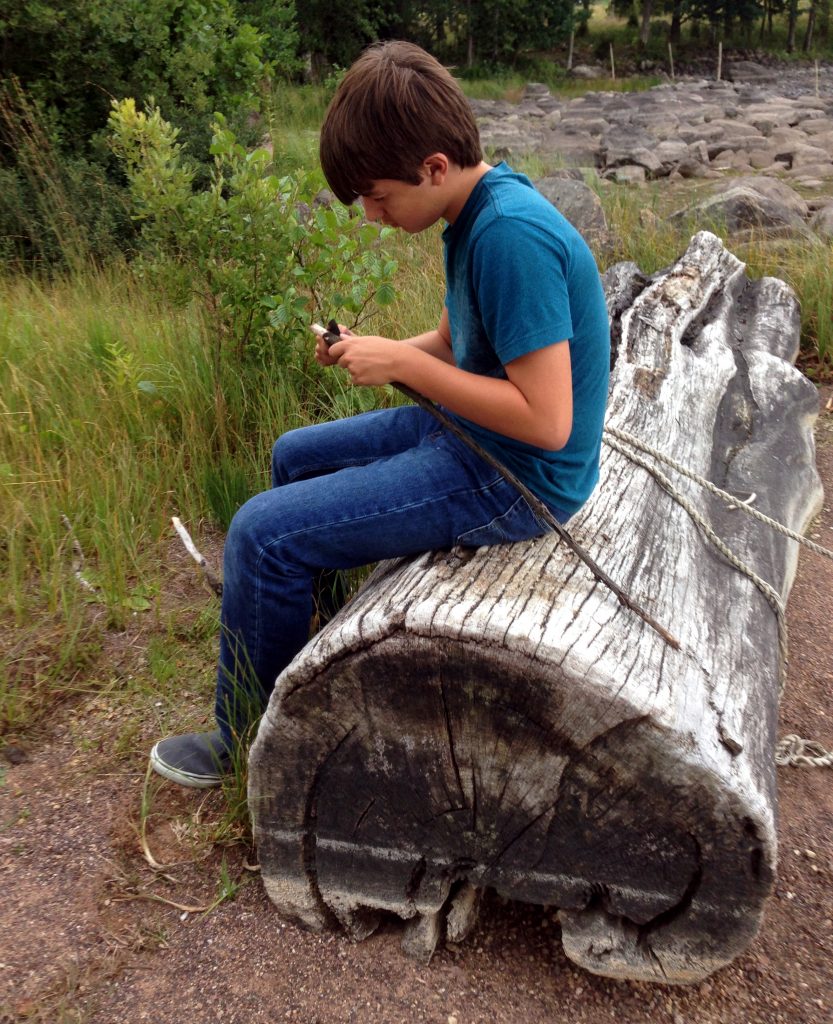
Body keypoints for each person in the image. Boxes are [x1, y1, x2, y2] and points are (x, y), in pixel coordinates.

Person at [149, 40, 610, 788]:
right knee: (296, 455)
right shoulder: (474, 210)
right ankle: (319, 648)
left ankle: (247, 748)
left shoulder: (510, 237)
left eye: (376, 196)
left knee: (261, 534)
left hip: (518, 477)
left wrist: (404, 366)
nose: (369, 215)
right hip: (482, 437)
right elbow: (460, 344)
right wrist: (382, 348)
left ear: (432, 166)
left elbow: (545, 420)